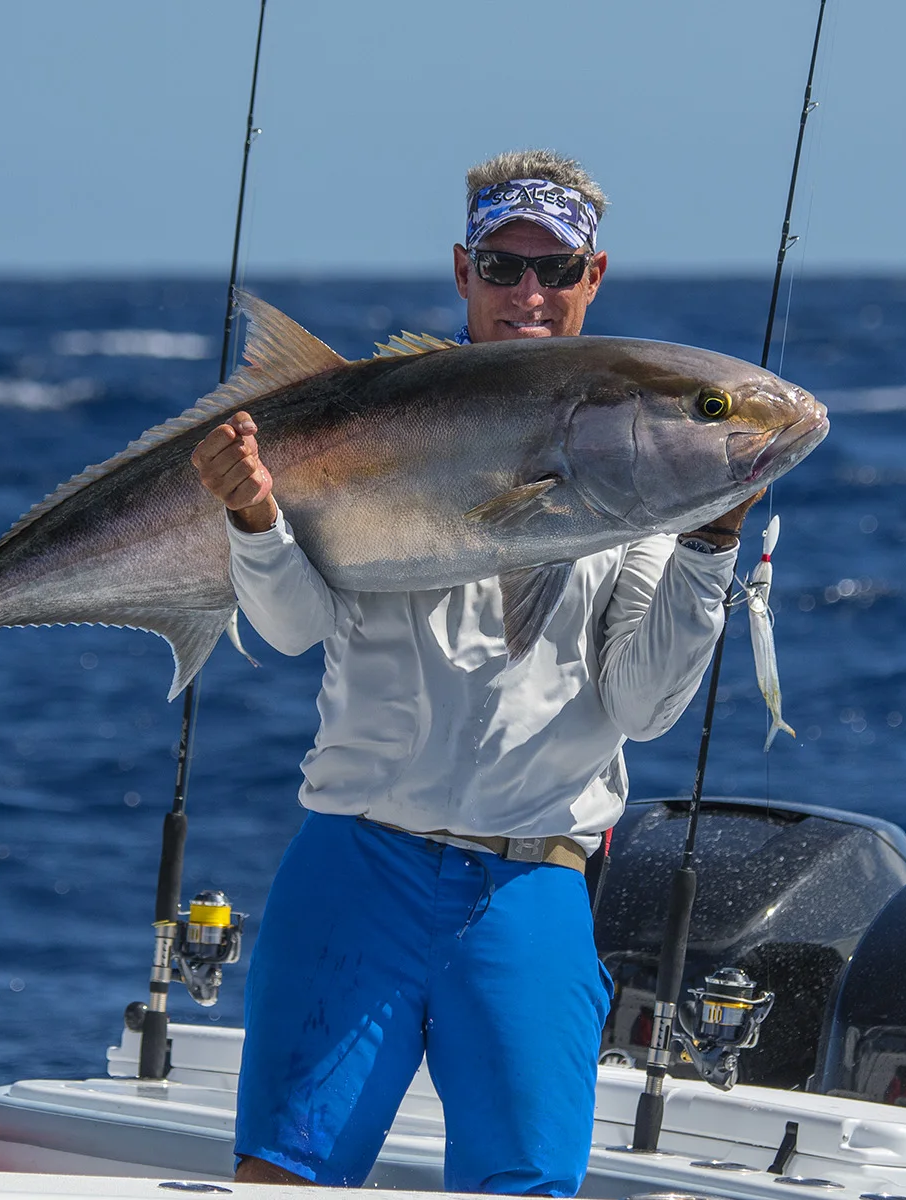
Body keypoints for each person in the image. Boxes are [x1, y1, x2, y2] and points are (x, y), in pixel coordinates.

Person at [190, 150, 756, 1195]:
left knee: (526, 1187)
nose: (527, 294)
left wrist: (708, 546)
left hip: (532, 877)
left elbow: (642, 702)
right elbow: (288, 629)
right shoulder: (375, 423)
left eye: (555, 269)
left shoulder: (637, 465)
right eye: (502, 267)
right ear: (462, 271)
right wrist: (255, 518)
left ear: (596, 277)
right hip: (358, 862)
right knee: (285, 1177)